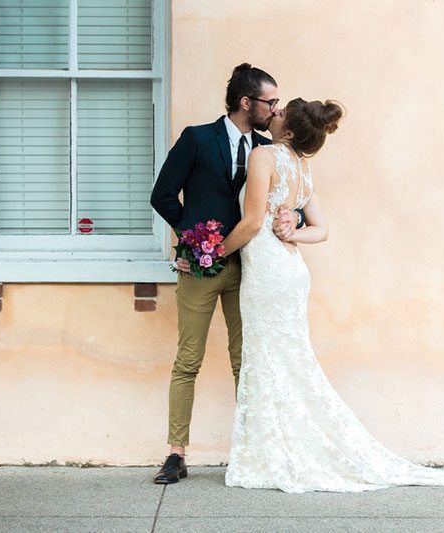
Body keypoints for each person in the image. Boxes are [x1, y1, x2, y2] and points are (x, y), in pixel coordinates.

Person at [216, 98, 444, 492]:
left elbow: (254, 221)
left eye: (279, 112)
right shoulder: (303, 170)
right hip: (291, 271)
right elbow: (321, 230)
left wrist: (212, 252)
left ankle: (274, 452)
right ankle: (279, 447)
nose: (272, 112)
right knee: (286, 360)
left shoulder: (263, 157)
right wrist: (294, 232)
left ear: (287, 131)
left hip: (269, 274)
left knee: (268, 359)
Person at [149, 63, 301, 485]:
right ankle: (176, 455)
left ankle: (251, 452)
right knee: (188, 360)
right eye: (270, 102)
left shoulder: (269, 149)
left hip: (251, 269)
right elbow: (161, 195)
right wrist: (193, 241)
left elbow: (294, 194)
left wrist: (297, 219)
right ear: (245, 102)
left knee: (246, 362)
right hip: (200, 269)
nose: (276, 109)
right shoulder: (198, 138)